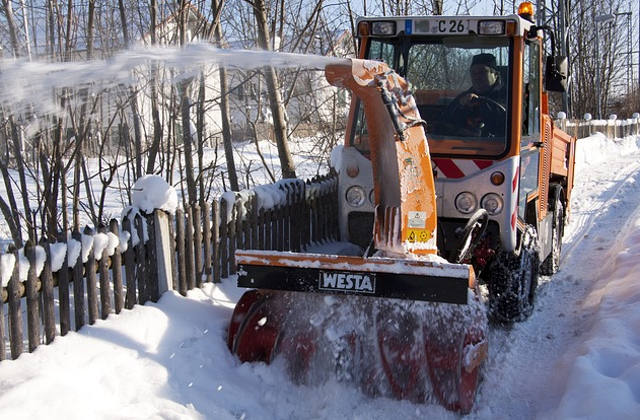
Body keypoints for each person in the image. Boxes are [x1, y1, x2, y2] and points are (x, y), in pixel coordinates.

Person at [446, 53, 507, 137]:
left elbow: (510, 126)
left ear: (495, 75)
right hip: (463, 146)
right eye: (473, 73)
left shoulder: (510, 97)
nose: (477, 77)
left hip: (497, 147)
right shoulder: (464, 97)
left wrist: (484, 104)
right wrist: (460, 105)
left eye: (482, 72)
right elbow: (445, 120)